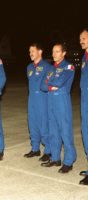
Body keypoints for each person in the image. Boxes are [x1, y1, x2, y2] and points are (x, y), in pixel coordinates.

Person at [41, 43, 77, 173]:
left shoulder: (68, 67)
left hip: (62, 101)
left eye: (57, 51)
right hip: (51, 100)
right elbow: (42, 86)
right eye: (53, 51)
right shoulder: (50, 69)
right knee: (53, 131)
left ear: (63, 53)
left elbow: (59, 82)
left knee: (65, 131)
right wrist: (51, 85)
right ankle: (55, 158)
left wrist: (49, 83)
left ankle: (69, 160)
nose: (54, 54)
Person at [24, 43, 51, 162]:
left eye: (33, 51)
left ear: (40, 51)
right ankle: (35, 148)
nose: (30, 53)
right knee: (32, 124)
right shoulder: (29, 67)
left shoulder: (47, 66)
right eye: (29, 51)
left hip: (42, 99)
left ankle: (48, 150)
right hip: (32, 100)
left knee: (44, 125)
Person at [79, 28, 88, 185]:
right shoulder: (84, 57)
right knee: (85, 132)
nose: (81, 40)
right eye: (80, 38)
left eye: (84, 38)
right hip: (85, 99)